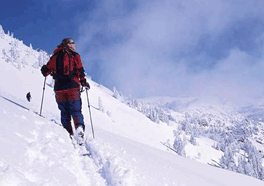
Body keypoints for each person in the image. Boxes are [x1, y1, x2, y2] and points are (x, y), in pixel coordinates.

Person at [40, 38, 90, 144]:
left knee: (64, 111)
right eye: (73, 43)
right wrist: (84, 82)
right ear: (69, 44)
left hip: (59, 89)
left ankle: (69, 133)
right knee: (76, 110)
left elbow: (46, 71)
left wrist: (44, 69)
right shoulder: (75, 56)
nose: (74, 45)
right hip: (73, 87)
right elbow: (80, 71)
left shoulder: (55, 56)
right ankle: (79, 128)